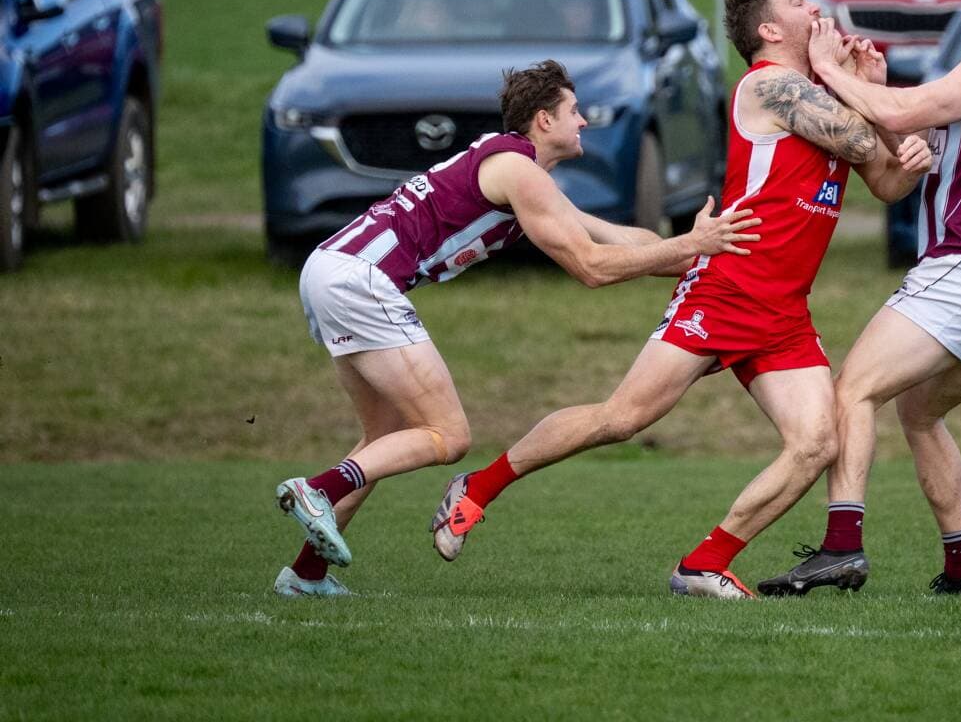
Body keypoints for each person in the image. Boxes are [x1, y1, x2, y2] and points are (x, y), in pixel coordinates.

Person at [429, 0, 933, 598]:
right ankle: (477, 489)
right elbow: (866, 137)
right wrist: (862, 90)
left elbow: (888, 182)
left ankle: (703, 564)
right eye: (801, 4)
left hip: (783, 309)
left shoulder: (827, 95)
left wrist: (890, 123)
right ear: (770, 31)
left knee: (816, 442)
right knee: (621, 418)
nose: (818, 10)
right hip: (725, 288)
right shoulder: (771, 86)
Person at [271, 59, 760, 597]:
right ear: (543, 120)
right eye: (574, 111)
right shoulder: (518, 170)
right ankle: (318, 488)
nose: (584, 123)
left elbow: (618, 241)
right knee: (449, 435)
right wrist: (693, 246)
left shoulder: (522, 174)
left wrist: (704, 251)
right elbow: (592, 268)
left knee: (386, 437)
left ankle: (305, 575)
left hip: (331, 270)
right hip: (359, 281)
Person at [758, 0, 961, 597]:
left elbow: (902, 114)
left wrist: (833, 70)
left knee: (852, 392)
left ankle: (842, 548)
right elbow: (910, 139)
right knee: (919, 414)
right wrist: (883, 90)